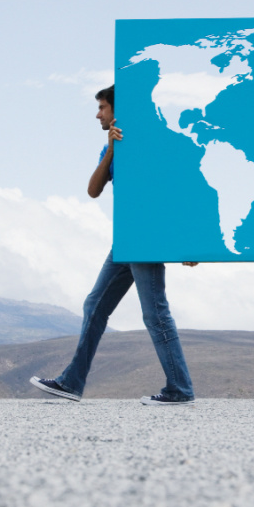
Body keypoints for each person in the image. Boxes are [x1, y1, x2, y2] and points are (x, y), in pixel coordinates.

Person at [30, 85, 198, 406]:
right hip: (125, 241)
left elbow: (180, 193)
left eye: (103, 108)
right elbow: (93, 190)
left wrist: (187, 243)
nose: (98, 114)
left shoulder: (154, 145)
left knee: (156, 315)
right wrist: (110, 151)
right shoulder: (114, 147)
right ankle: (71, 382)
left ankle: (181, 389)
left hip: (146, 239)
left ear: (118, 111)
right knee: (95, 305)